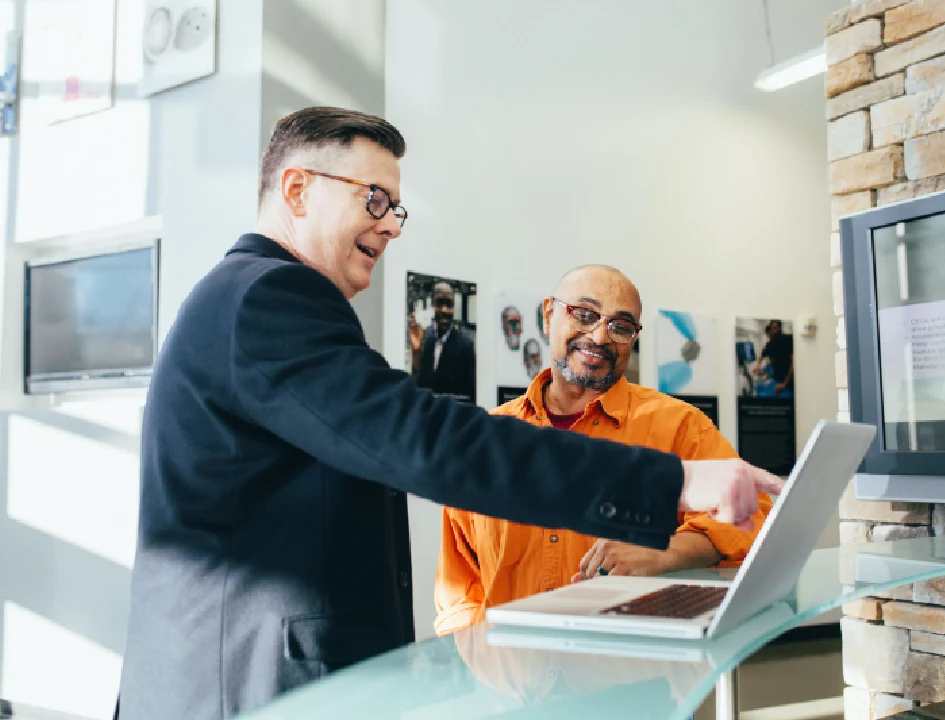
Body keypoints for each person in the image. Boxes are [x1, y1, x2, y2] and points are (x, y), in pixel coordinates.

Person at [115, 107, 783, 720]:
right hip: (246, 689)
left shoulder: (250, 299)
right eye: (373, 198)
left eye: (397, 208)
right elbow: (427, 442)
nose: (388, 223)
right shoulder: (269, 298)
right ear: (296, 191)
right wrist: (673, 483)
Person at [434, 266, 772, 636]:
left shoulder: (679, 426)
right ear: (549, 315)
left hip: (630, 674)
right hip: (511, 679)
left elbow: (755, 514)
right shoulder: (489, 439)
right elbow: (459, 586)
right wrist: (477, 666)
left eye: (621, 326)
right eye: (584, 314)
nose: (599, 337)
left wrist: (665, 551)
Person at [408, 281, 477, 403]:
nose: (444, 310)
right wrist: (416, 353)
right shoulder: (427, 341)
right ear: (433, 306)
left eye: (449, 305)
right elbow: (419, 387)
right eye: (440, 303)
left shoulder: (465, 345)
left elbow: (471, 396)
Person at [756, 320, 794, 396]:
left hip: (789, 382)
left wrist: (785, 383)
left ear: (780, 328)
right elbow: (764, 355)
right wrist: (758, 365)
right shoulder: (771, 343)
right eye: (772, 329)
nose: (773, 331)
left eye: (775, 328)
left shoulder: (788, 339)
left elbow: (793, 363)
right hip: (778, 380)